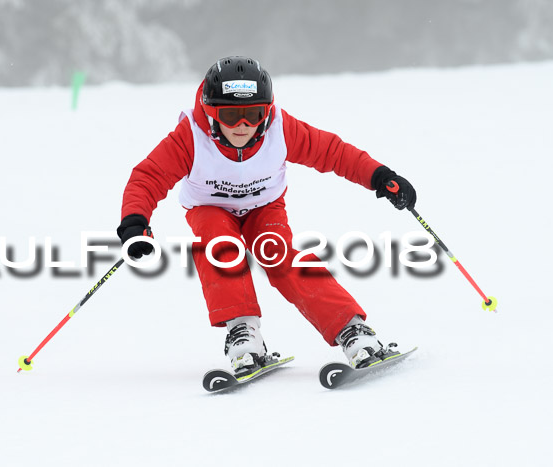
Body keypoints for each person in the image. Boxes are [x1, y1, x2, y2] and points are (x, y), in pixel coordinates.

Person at [117, 56, 417, 375]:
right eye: (231, 116)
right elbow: (148, 177)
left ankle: (351, 330)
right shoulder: (190, 136)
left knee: (279, 255)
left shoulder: (279, 129)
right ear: (211, 112)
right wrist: (135, 222)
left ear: (266, 111)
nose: (243, 126)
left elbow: (333, 152)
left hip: (265, 206)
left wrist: (380, 176)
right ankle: (243, 333)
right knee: (220, 248)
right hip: (209, 207)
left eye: (253, 114)